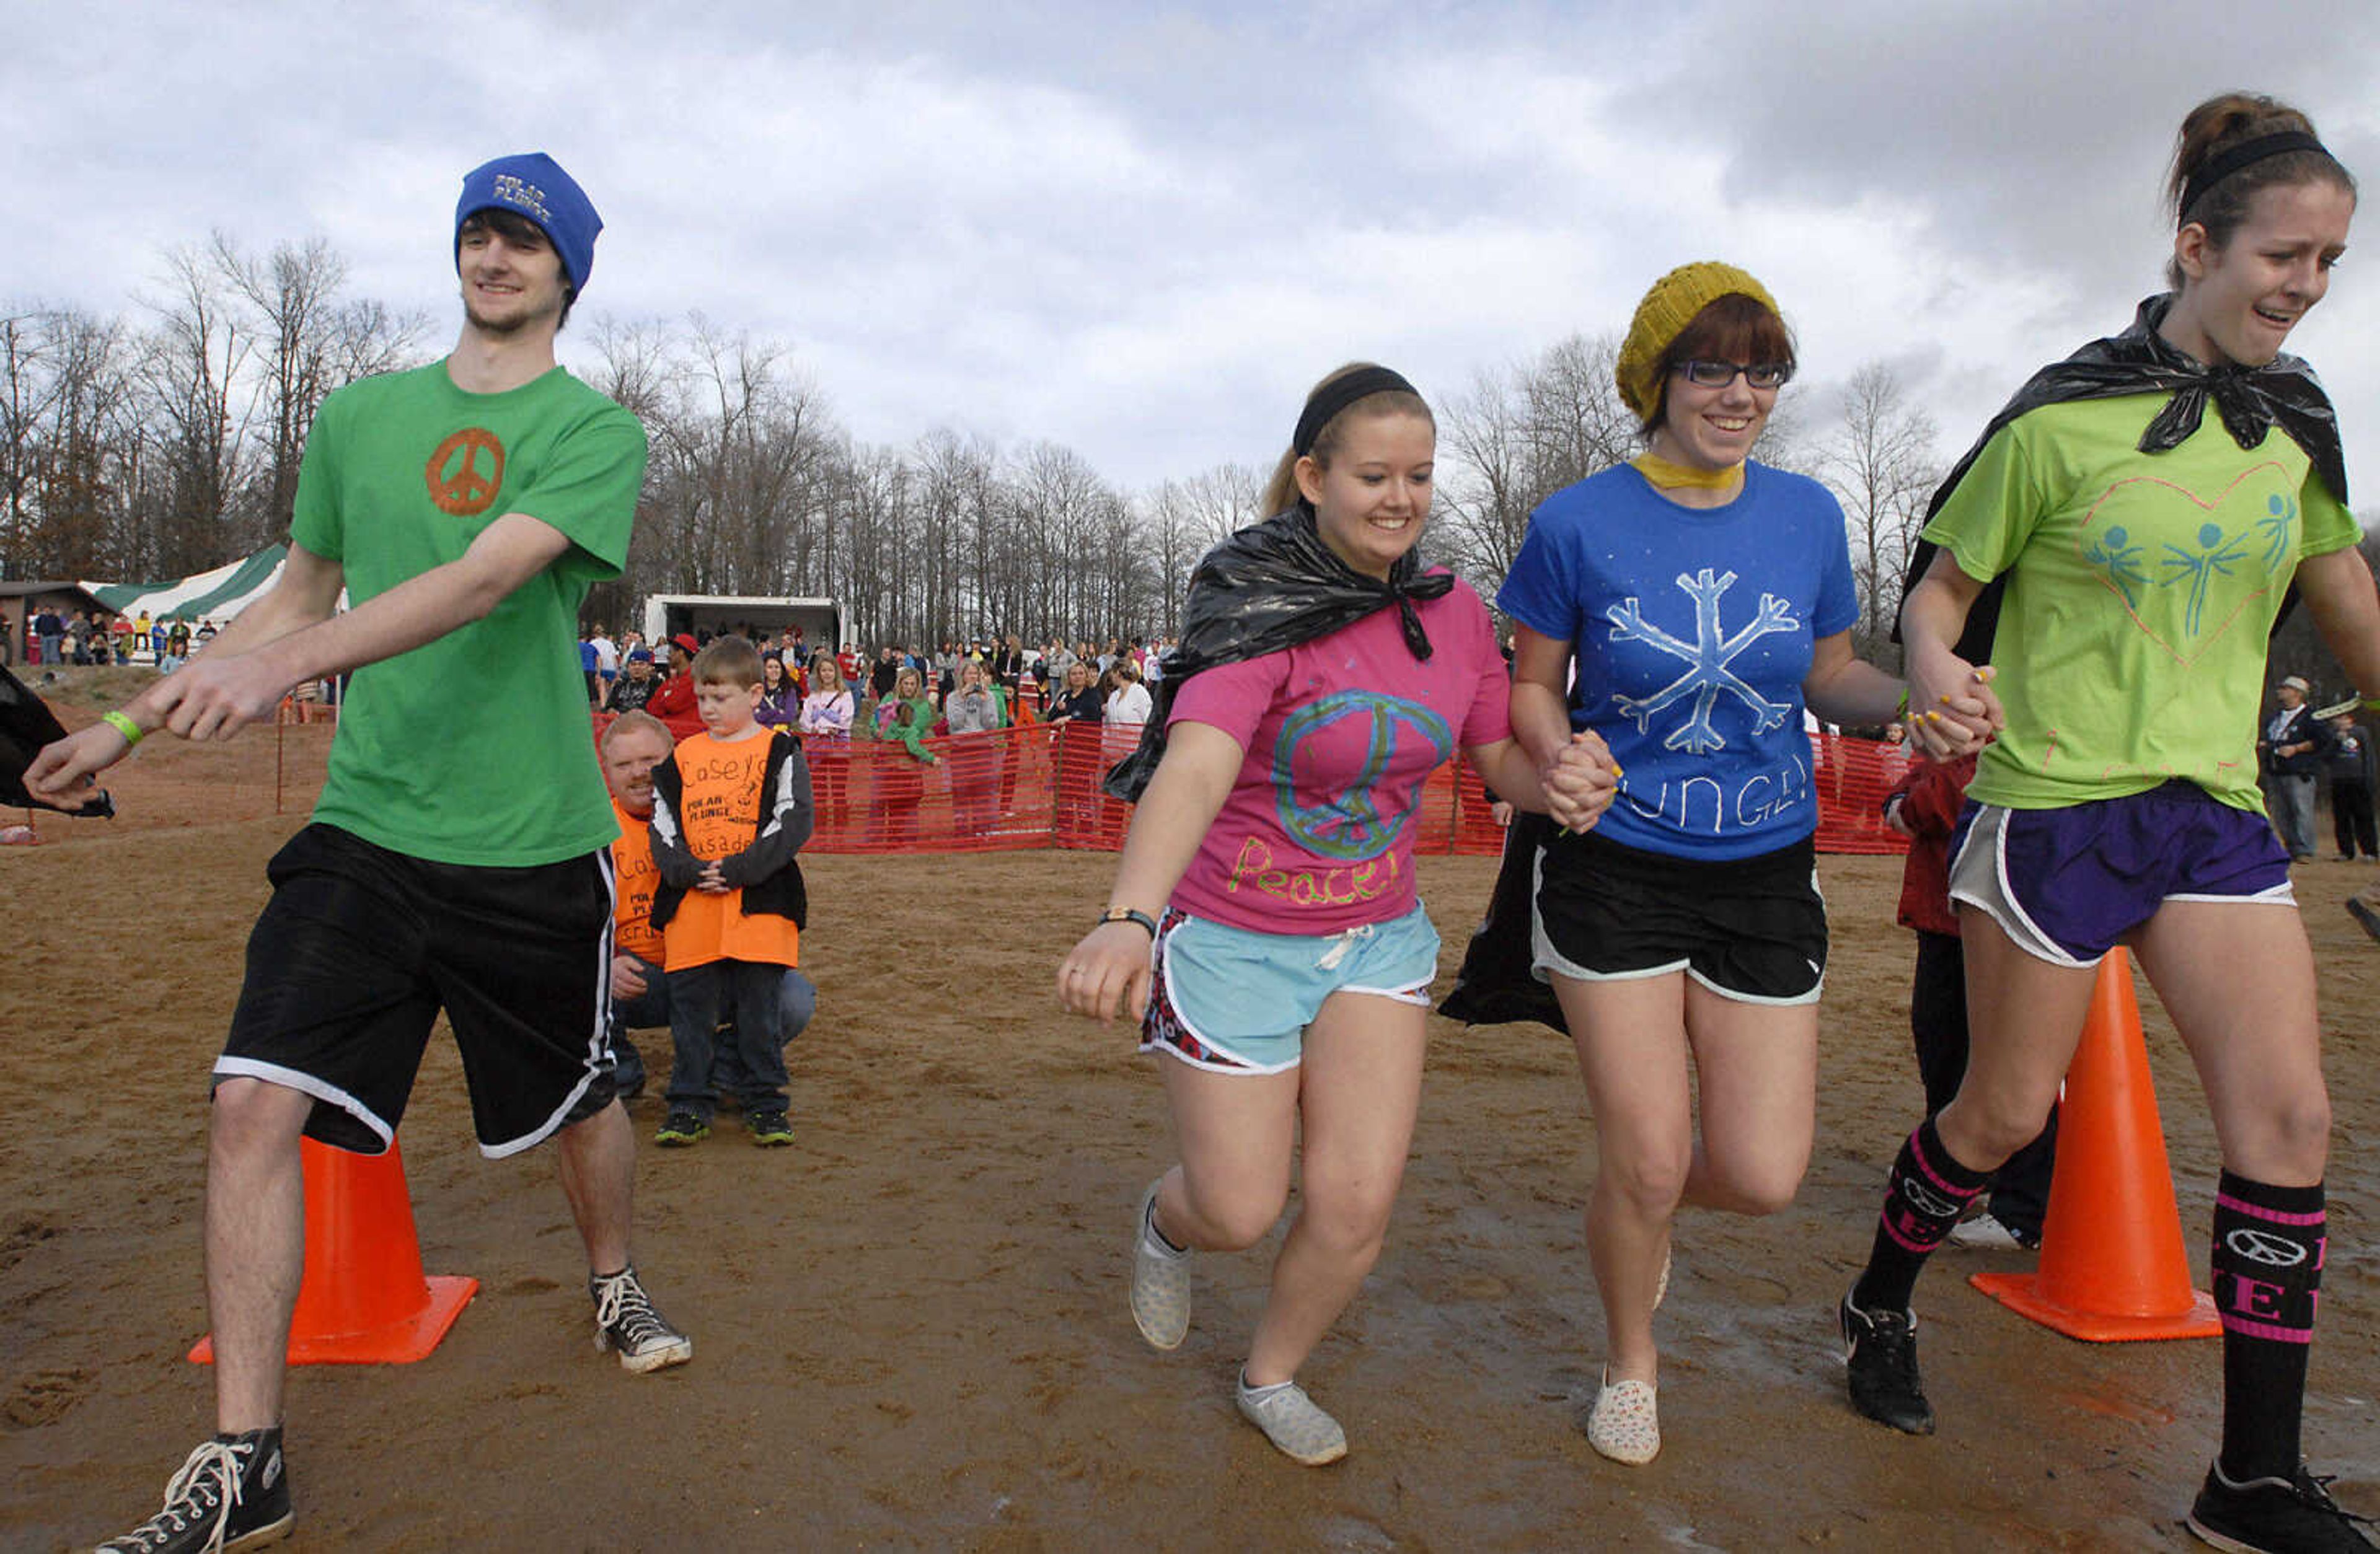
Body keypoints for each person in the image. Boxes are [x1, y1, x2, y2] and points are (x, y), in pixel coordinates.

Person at [29, 151, 693, 1554]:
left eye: (525, 238)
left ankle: (614, 1274)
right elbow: (299, 591)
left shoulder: (596, 433)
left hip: (530, 844)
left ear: (569, 271)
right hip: (369, 833)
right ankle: (246, 1457)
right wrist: (131, 725)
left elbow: (480, 581)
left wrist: (293, 671)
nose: (495, 255)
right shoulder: (360, 418)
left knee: (579, 1101)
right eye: (478, 232)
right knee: (249, 1102)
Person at [1835, 95, 2377, 1552]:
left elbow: (2351, 616)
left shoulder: (2297, 429)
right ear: (2195, 246)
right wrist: (1938, 674)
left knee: (2286, 1118)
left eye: (2329, 261)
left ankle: (2249, 1478)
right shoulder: (2062, 414)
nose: (2305, 286)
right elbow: (1939, 594)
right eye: (2281, 255)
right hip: (2053, 807)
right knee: (2001, 1114)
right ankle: (1876, 1299)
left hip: (2208, 811)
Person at [1497, 262, 1977, 1466]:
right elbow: (1528, 687)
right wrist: (1557, 760)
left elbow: (1828, 678)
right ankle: (1631, 1360)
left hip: (1765, 866)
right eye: (1712, 366)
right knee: (1652, 1149)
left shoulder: (1808, 515)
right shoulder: (1575, 522)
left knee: (1760, 1176)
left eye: (1764, 368)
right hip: (1616, 864)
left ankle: (1632, 1209)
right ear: (1657, 379)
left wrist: (1913, 706)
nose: (1741, 392)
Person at [1058, 364, 1556, 1466]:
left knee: (1352, 1204)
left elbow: (1498, 766)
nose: (1401, 497)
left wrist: (1560, 776)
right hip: (1232, 934)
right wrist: (1130, 918)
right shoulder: (1256, 599)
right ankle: (1165, 1219)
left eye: (1420, 475)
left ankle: (1268, 1372)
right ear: (1313, 475)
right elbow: (1194, 764)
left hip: (1378, 935)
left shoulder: (1455, 611)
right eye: (1374, 473)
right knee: (1239, 1208)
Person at [1882, 752, 2056, 1251]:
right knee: (1944, 1045)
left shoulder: (2005, 728)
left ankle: (2023, 1209)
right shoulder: (1955, 736)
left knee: (2006, 1058)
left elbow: (1942, 798)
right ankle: (1960, 1168)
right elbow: (1918, 789)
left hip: (1995, 910)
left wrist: (1907, 804)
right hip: (1950, 909)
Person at [646, 637, 815, 1147]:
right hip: (694, 911)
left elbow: (795, 821)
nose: (709, 709)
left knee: (759, 1014)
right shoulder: (681, 757)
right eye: (703, 699)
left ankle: (765, 1104)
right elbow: (663, 828)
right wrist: (691, 871)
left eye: (720, 698)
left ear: (756, 694)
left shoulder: (780, 749)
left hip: (759, 910)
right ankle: (688, 1104)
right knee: (691, 1015)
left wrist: (738, 869)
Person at [599, 711, 677, 1100]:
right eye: (625, 764)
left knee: (791, 1001)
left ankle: (719, 1068)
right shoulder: (592, 832)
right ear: (608, 772)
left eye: (650, 761)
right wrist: (603, 966)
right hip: (631, 974)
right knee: (567, 979)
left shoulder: (704, 820)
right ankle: (622, 1078)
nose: (639, 773)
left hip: (703, 967)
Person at [2260, 675, 2325, 862]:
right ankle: (2292, 848)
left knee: (2301, 810)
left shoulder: (2311, 717)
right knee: (2281, 813)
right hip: (2276, 770)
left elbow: (2323, 741)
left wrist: (2297, 749)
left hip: (2299, 772)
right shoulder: (2275, 717)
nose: (2281, 691)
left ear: (2297, 693)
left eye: (2285, 688)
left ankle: (2305, 849)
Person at [943, 656, 1007, 836]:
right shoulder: (953, 697)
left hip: (983, 748)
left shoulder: (990, 696)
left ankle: (982, 827)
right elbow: (955, 723)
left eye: (976, 673)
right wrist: (964, 697)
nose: (973, 677)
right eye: (969, 673)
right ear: (962, 676)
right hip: (961, 748)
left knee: (982, 789)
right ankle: (961, 827)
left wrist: (985, 699)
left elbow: (991, 724)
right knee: (961, 790)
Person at [2319, 703, 2376, 862]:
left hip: (2358, 780)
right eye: (2337, 719)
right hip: (2339, 780)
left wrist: (2369, 778)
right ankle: (2346, 851)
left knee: (2363, 816)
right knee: (2341, 817)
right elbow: (2325, 758)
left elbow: (2369, 756)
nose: (2340, 721)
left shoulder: (2361, 732)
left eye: (2343, 718)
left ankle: (2370, 851)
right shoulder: (2331, 735)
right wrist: (2337, 741)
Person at [645, 633, 699, 724]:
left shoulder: (695, 678)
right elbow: (651, 708)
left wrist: (664, 699)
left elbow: (672, 704)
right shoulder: (672, 680)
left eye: (671, 651)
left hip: (688, 732)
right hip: (669, 729)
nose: (668, 656)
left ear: (681, 653)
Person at [604, 645, 658, 711]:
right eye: (633, 664)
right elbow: (609, 707)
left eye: (641, 664)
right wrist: (611, 710)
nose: (637, 667)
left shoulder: (655, 685)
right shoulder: (620, 685)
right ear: (628, 668)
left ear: (649, 667)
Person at [754, 651, 798, 729]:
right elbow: (753, 718)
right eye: (770, 667)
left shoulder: (789, 691)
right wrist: (775, 712)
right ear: (764, 671)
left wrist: (763, 716)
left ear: (781, 670)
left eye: (777, 667)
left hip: (780, 736)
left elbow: (789, 717)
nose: (774, 670)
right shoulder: (756, 690)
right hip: (759, 734)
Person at [1104, 657, 1152, 726]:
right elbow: (1108, 725)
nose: (1110, 676)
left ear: (1118, 673)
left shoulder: (1139, 692)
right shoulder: (1113, 696)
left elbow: (1149, 721)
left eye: (1112, 672)